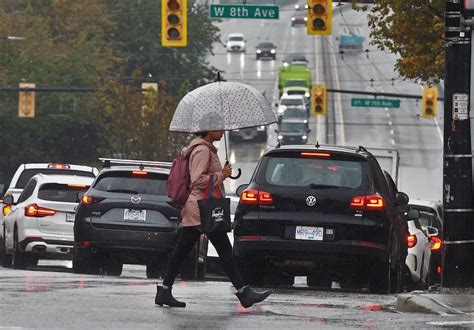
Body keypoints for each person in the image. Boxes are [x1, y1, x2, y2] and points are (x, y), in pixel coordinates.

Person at [156, 130, 271, 308]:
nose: (223, 131)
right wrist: (222, 175)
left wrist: (222, 173)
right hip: (200, 209)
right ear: (209, 130)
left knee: (186, 251)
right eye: (219, 128)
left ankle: (164, 290)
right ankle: (244, 293)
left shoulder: (207, 149)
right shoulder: (202, 150)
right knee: (218, 250)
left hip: (203, 207)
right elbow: (197, 180)